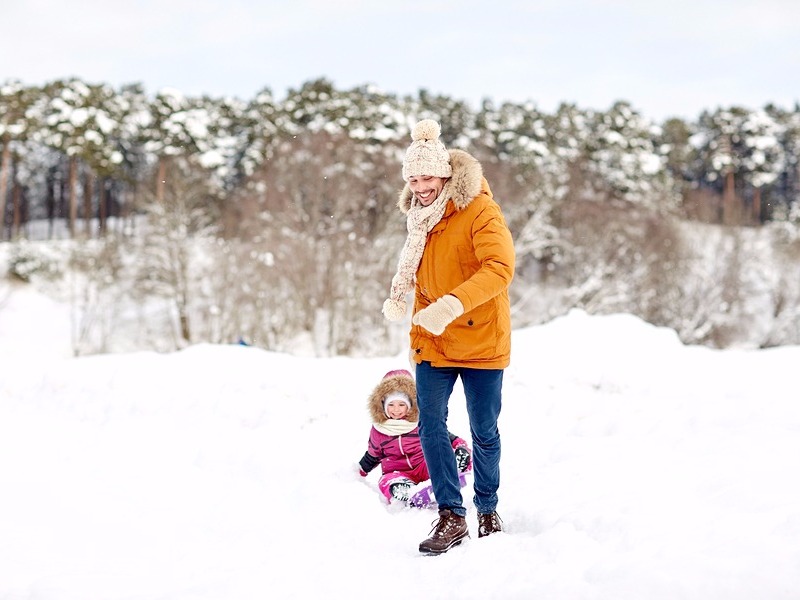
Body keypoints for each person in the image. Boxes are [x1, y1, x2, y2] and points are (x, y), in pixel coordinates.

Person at [382, 119, 515, 554]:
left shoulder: (479, 210)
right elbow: (422, 270)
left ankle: (487, 507)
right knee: (431, 428)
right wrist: (406, 296)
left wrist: (452, 305)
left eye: (428, 178)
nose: (420, 186)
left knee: (484, 432)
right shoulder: (419, 218)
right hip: (432, 339)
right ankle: (450, 515)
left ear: (445, 176)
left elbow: (499, 268)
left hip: (480, 340)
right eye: (413, 179)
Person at [358, 369, 472, 504]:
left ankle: (453, 471)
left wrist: (459, 444)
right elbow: (373, 455)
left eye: (401, 404)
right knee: (386, 481)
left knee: (438, 462)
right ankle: (404, 490)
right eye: (391, 405)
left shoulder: (420, 421)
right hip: (397, 471)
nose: (396, 409)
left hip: (423, 464)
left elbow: (440, 435)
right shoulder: (379, 430)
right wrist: (359, 471)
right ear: (382, 405)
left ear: (411, 405)